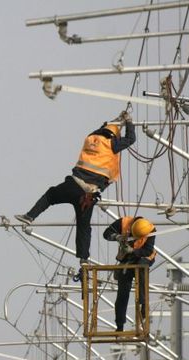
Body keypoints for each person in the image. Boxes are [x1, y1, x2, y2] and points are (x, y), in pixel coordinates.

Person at [15, 111, 136, 276]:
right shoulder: (111, 144)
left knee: (50, 195)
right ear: (114, 136)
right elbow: (131, 140)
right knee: (84, 226)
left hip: (73, 184)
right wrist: (129, 122)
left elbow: (99, 130)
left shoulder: (89, 139)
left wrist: (115, 121)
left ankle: (29, 216)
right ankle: (84, 259)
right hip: (88, 194)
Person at [103, 216, 156, 332]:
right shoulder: (123, 223)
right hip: (127, 259)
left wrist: (133, 251)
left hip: (144, 257)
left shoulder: (150, 230)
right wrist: (117, 237)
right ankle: (119, 324)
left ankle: (143, 309)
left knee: (142, 273)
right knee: (123, 292)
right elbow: (106, 233)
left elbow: (148, 250)